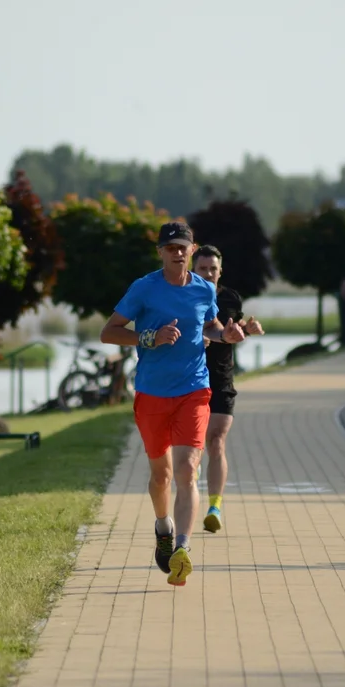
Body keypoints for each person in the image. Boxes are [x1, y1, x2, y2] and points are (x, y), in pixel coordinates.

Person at [100, 222, 246, 586]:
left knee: (186, 469)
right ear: (160, 252)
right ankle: (163, 527)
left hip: (194, 390)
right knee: (161, 475)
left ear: (192, 250)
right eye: (170, 248)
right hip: (151, 392)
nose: (177, 253)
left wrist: (223, 334)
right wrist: (148, 337)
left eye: (183, 247)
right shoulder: (144, 288)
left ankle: (182, 547)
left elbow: (209, 326)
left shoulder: (202, 289)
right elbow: (109, 331)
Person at [190, 245, 265, 535]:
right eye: (203, 268)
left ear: (221, 271)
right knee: (195, 444)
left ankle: (215, 507)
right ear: (193, 270)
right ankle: (192, 476)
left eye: (213, 269)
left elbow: (234, 329)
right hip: (190, 377)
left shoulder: (230, 297)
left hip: (221, 378)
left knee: (216, 440)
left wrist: (250, 327)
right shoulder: (186, 297)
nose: (208, 273)